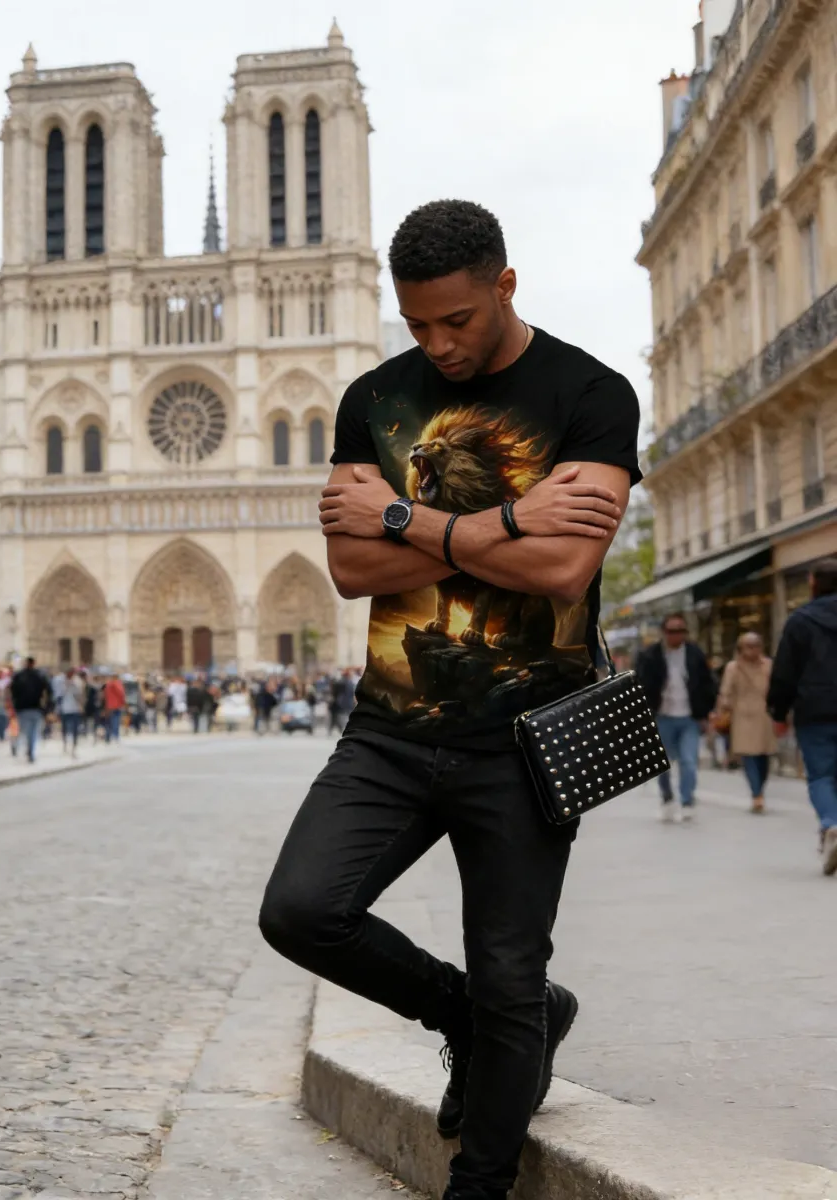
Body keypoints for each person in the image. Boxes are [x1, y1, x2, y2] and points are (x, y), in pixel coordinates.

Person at [258, 200, 639, 1200]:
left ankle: (480, 1181)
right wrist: (506, 516)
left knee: (510, 972)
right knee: (301, 912)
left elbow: (562, 566)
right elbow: (349, 566)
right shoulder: (374, 399)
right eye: (418, 323)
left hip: (526, 743)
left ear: (505, 287)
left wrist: (405, 517)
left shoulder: (592, 394)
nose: (437, 343)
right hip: (389, 729)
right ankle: (462, 1016)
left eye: (457, 321)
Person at [768, 558, 837, 876]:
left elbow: (784, 672)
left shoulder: (800, 622)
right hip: (817, 709)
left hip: (815, 710)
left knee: (821, 776)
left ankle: (831, 823)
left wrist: (778, 712)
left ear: (813, 583)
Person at [635, 614, 716, 823]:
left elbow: (707, 684)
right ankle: (667, 797)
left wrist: (706, 713)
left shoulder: (695, 653)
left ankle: (687, 801)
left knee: (688, 761)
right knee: (663, 763)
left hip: (689, 717)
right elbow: (641, 686)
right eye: (672, 631)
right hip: (662, 717)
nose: (677, 636)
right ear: (664, 632)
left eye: (681, 631)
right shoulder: (650, 655)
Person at [713, 633, 778, 814]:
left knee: (764, 756)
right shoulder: (733, 668)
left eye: (756, 645)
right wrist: (723, 709)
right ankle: (756, 794)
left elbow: (776, 687)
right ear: (741, 648)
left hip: (765, 715)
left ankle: (760, 789)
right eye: (749, 645)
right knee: (749, 756)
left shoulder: (768, 665)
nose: (753, 649)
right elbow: (725, 691)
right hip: (742, 715)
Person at [9, 657, 52, 762]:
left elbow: (13, 691)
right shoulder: (40, 676)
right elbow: (49, 691)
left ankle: (26, 749)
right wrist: (47, 707)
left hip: (22, 708)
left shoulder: (18, 676)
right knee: (33, 732)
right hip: (36, 707)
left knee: (25, 730)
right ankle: (30, 750)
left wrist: (15, 704)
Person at [59, 668, 86, 757]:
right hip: (65, 708)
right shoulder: (62, 681)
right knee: (64, 728)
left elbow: (80, 695)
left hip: (75, 709)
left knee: (75, 729)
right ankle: (65, 746)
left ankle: (74, 748)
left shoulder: (77, 682)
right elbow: (59, 694)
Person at [103, 673, 126, 743]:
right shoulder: (117, 684)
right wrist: (123, 703)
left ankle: (108, 736)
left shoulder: (108, 685)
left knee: (109, 721)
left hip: (109, 705)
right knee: (115, 721)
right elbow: (121, 693)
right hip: (116, 705)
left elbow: (105, 695)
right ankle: (115, 736)